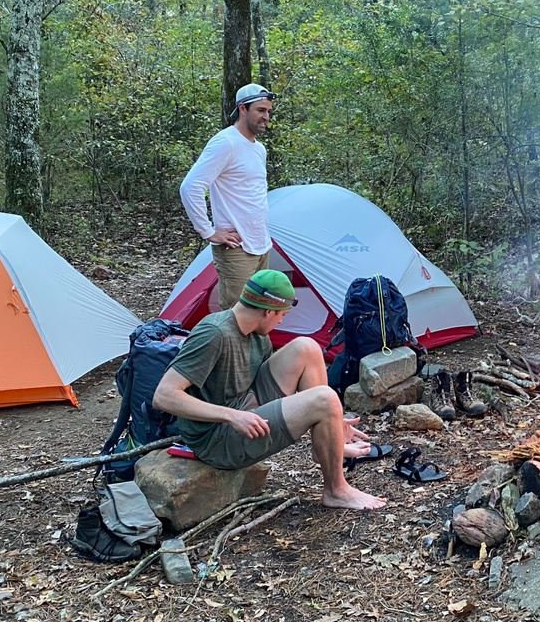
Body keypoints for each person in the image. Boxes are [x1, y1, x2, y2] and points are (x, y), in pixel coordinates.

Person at [152, 269, 387, 511]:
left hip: (245, 404)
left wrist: (332, 421)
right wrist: (232, 416)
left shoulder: (257, 334)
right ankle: (336, 491)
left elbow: (274, 385)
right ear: (268, 311)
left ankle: (327, 444)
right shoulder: (214, 334)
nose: (282, 321)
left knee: (307, 347)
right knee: (326, 400)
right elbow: (164, 396)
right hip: (217, 438)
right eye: (282, 314)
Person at [181, 83, 275, 310]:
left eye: (268, 111)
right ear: (243, 108)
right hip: (236, 248)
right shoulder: (226, 142)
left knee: (260, 312)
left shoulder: (259, 149)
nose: (266, 117)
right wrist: (208, 231)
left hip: (261, 244)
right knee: (238, 315)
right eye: (260, 110)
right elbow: (191, 186)